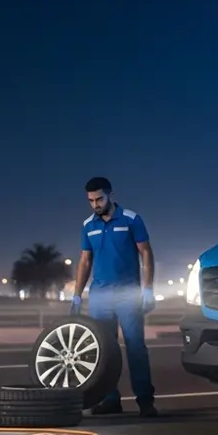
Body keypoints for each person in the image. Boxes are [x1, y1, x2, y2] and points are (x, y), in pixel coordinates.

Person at [72, 177, 158, 417]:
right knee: (103, 351)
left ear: (111, 195)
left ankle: (145, 400)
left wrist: (148, 289)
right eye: (91, 200)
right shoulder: (88, 225)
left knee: (135, 349)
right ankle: (110, 400)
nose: (95, 204)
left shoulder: (131, 219)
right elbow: (85, 260)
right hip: (99, 297)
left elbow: (146, 253)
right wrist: (77, 295)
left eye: (99, 199)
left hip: (128, 295)